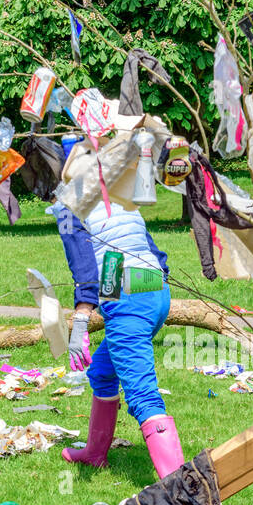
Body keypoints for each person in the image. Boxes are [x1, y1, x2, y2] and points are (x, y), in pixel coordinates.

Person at [52, 198, 185, 481]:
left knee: (142, 396)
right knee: (102, 373)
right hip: (155, 288)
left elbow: (83, 263)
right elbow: (137, 249)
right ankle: (94, 454)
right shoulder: (114, 189)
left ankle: (180, 491)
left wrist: (81, 319)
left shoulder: (67, 206)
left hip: (131, 302)